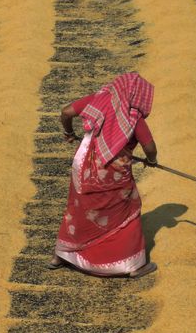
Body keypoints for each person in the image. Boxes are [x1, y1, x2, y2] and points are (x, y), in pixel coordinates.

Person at [47, 72, 159, 278]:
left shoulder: (99, 99)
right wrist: (152, 160)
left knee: (79, 208)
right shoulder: (133, 116)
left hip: (83, 165)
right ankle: (132, 265)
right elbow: (149, 146)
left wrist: (69, 132)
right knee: (126, 210)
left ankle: (61, 255)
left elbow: (66, 112)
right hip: (112, 173)